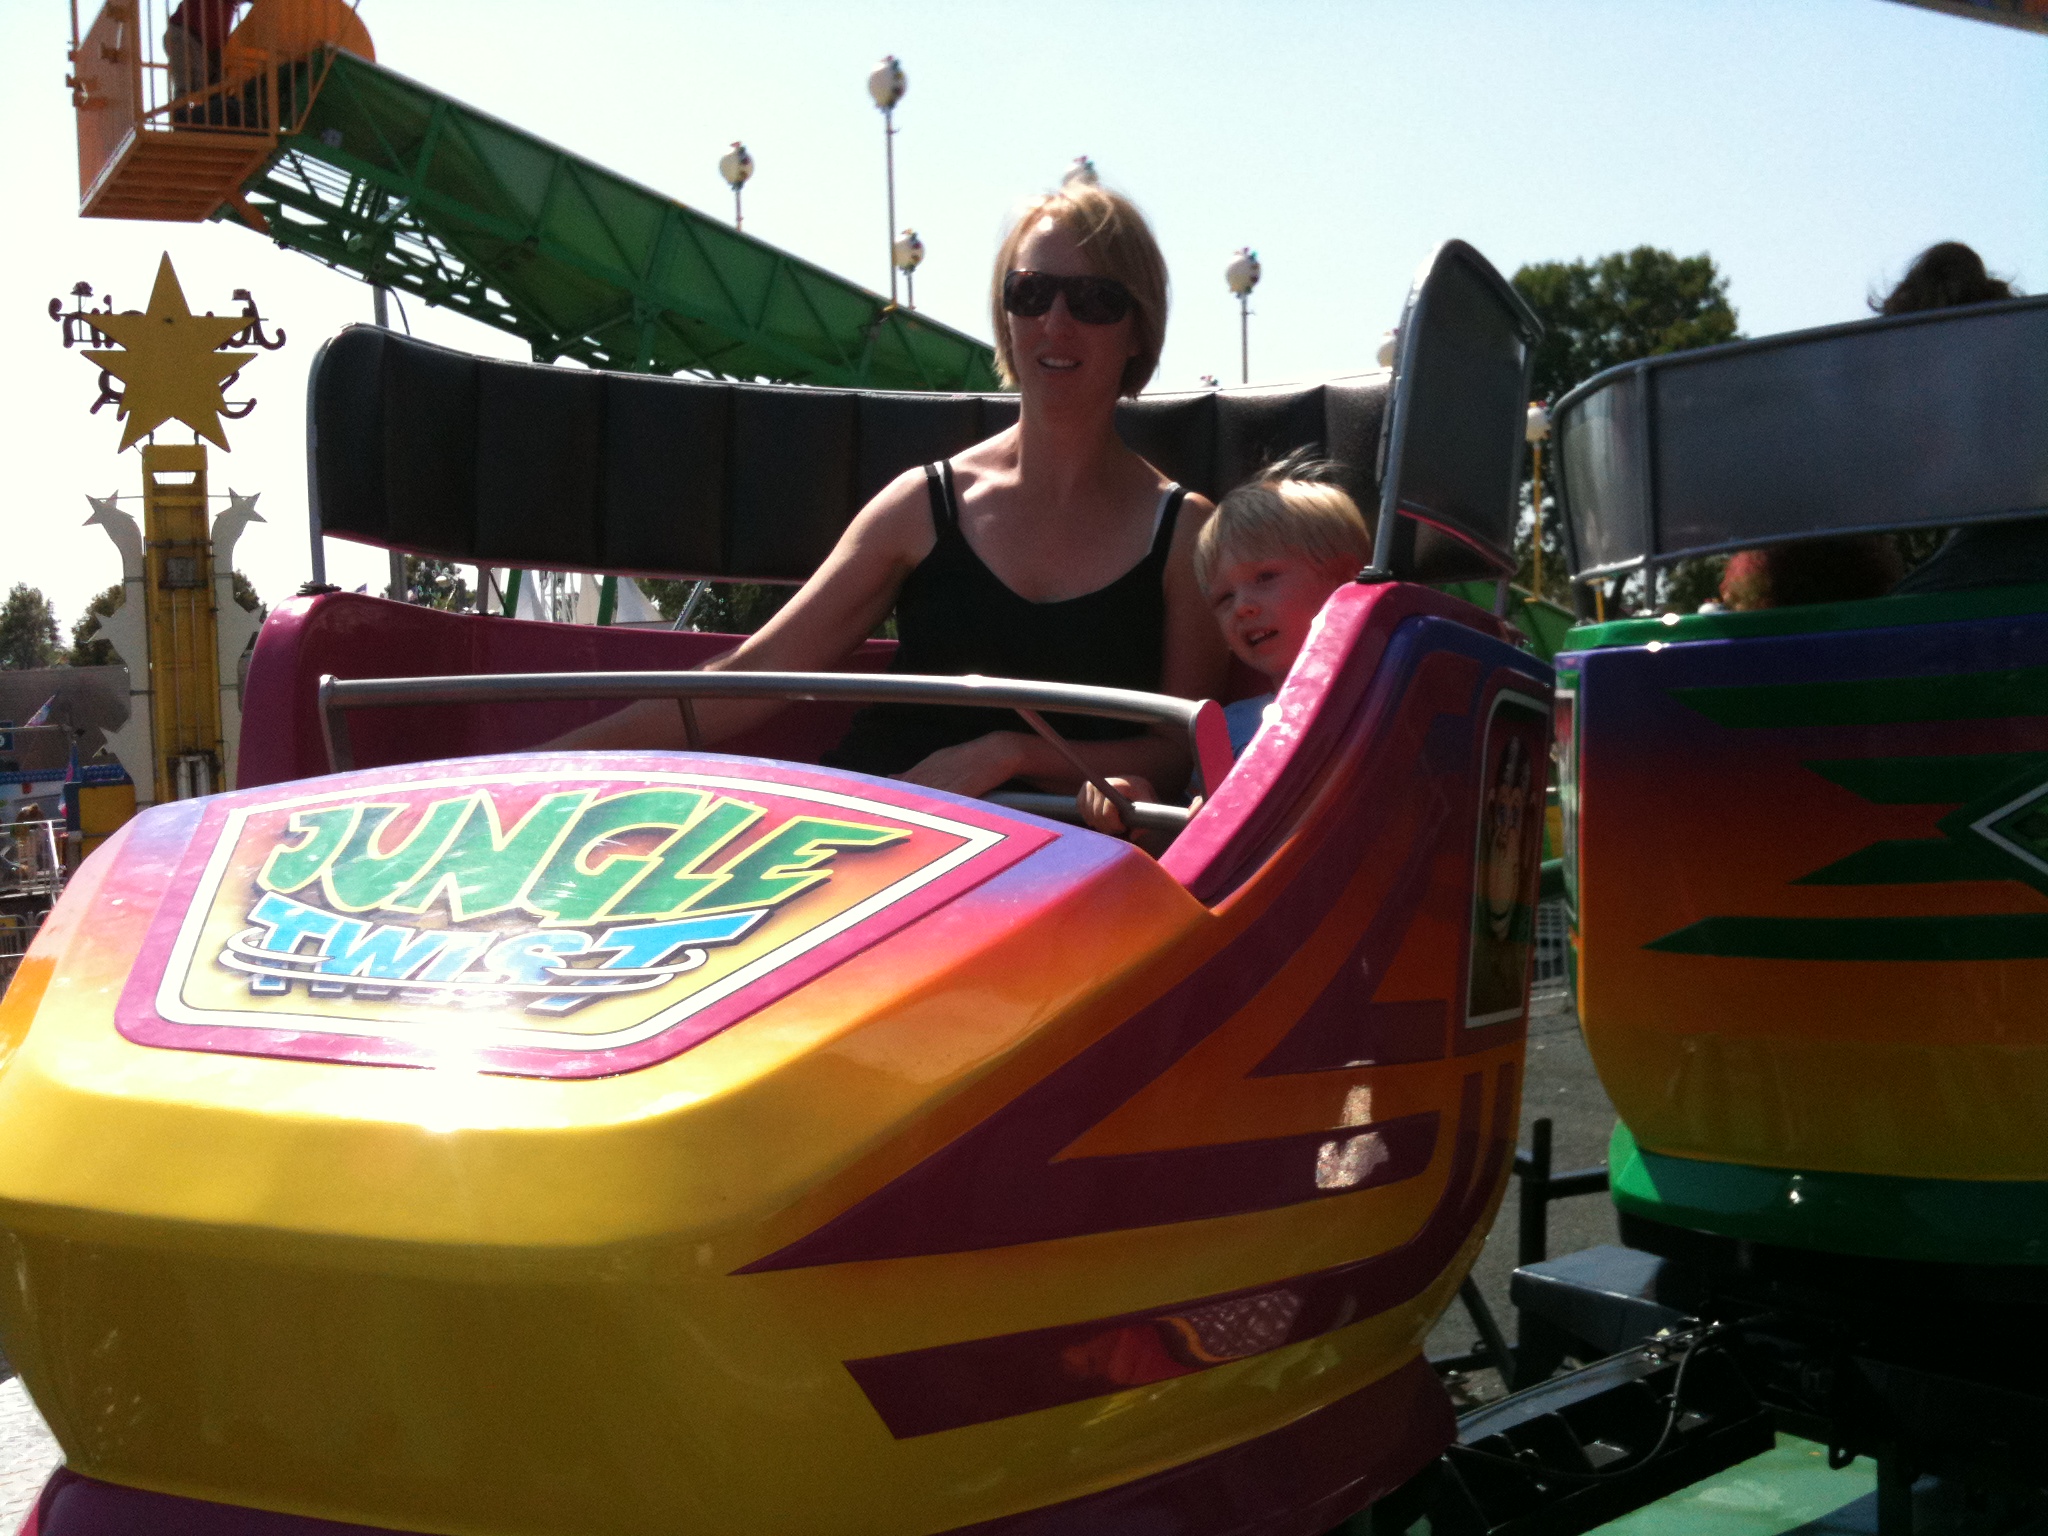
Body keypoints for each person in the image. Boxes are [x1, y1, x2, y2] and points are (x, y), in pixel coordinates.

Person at [554, 183, 1231, 798]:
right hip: (883, 825)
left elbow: (1179, 750)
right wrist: (545, 769)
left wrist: (1007, 754)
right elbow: (753, 676)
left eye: (1094, 300)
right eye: (1030, 293)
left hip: (1065, 856)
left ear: (1138, 328)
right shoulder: (923, 505)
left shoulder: (1183, 534)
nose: (1055, 323)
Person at [1078, 460, 1372, 835]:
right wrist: (1141, 812)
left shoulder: (1396, 695)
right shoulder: (1227, 731)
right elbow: (1185, 850)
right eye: (1224, 598)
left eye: (1265, 576)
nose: (1242, 607)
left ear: (1346, 578)